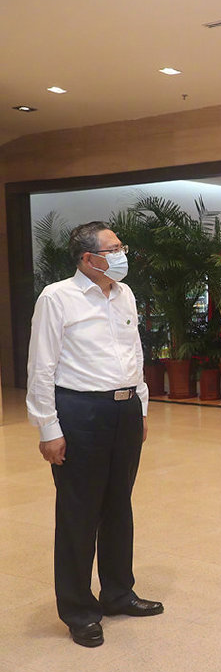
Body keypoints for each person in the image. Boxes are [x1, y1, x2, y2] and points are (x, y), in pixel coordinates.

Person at [26, 221, 162, 648]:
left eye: (121, 247)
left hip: (125, 409)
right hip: (81, 411)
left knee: (119, 504)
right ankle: (78, 609)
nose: (122, 255)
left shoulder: (124, 294)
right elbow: (41, 366)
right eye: (114, 249)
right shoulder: (57, 297)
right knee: (79, 513)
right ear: (88, 259)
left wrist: (141, 406)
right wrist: (48, 427)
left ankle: (118, 593)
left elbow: (134, 352)